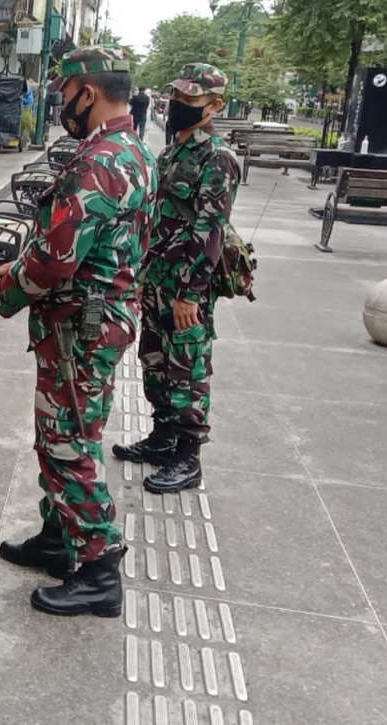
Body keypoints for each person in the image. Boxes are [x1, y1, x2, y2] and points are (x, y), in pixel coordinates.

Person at [0, 46, 157, 618]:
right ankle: (61, 539)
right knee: (67, 431)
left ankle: (99, 568)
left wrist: (10, 290)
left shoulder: (99, 159)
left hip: (82, 326)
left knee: (66, 443)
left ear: (89, 92)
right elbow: (94, 243)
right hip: (95, 318)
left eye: (63, 96)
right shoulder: (130, 151)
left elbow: (55, 261)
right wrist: (13, 265)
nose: (59, 107)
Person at [113, 64, 240, 495]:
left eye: (190, 101)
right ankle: (163, 437)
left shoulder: (218, 159)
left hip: (187, 289)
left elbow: (210, 231)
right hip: (158, 281)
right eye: (177, 98)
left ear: (214, 106)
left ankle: (188, 458)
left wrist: (190, 293)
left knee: (187, 369)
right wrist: (144, 276)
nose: (178, 106)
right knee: (155, 361)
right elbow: (155, 221)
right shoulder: (173, 153)